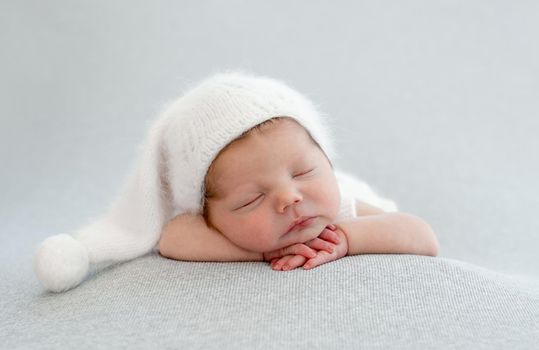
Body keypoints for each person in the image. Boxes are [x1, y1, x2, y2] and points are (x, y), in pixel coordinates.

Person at [34, 71, 438, 293]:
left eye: (304, 172)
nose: (290, 197)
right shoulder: (196, 224)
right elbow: (173, 238)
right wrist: (262, 249)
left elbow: (420, 235)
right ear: (209, 215)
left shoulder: (342, 207)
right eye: (251, 199)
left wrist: (348, 239)